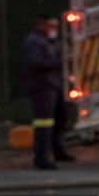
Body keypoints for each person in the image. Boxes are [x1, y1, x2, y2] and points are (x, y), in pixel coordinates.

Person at [21, 14, 73, 170]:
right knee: (44, 122)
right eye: (51, 26)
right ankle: (42, 157)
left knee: (59, 119)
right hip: (42, 87)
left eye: (55, 27)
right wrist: (59, 61)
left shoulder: (52, 41)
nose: (53, 30)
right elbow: (36, 62)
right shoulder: (33, 42)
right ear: (41, 25)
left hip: (54, 85)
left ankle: (59, 151)